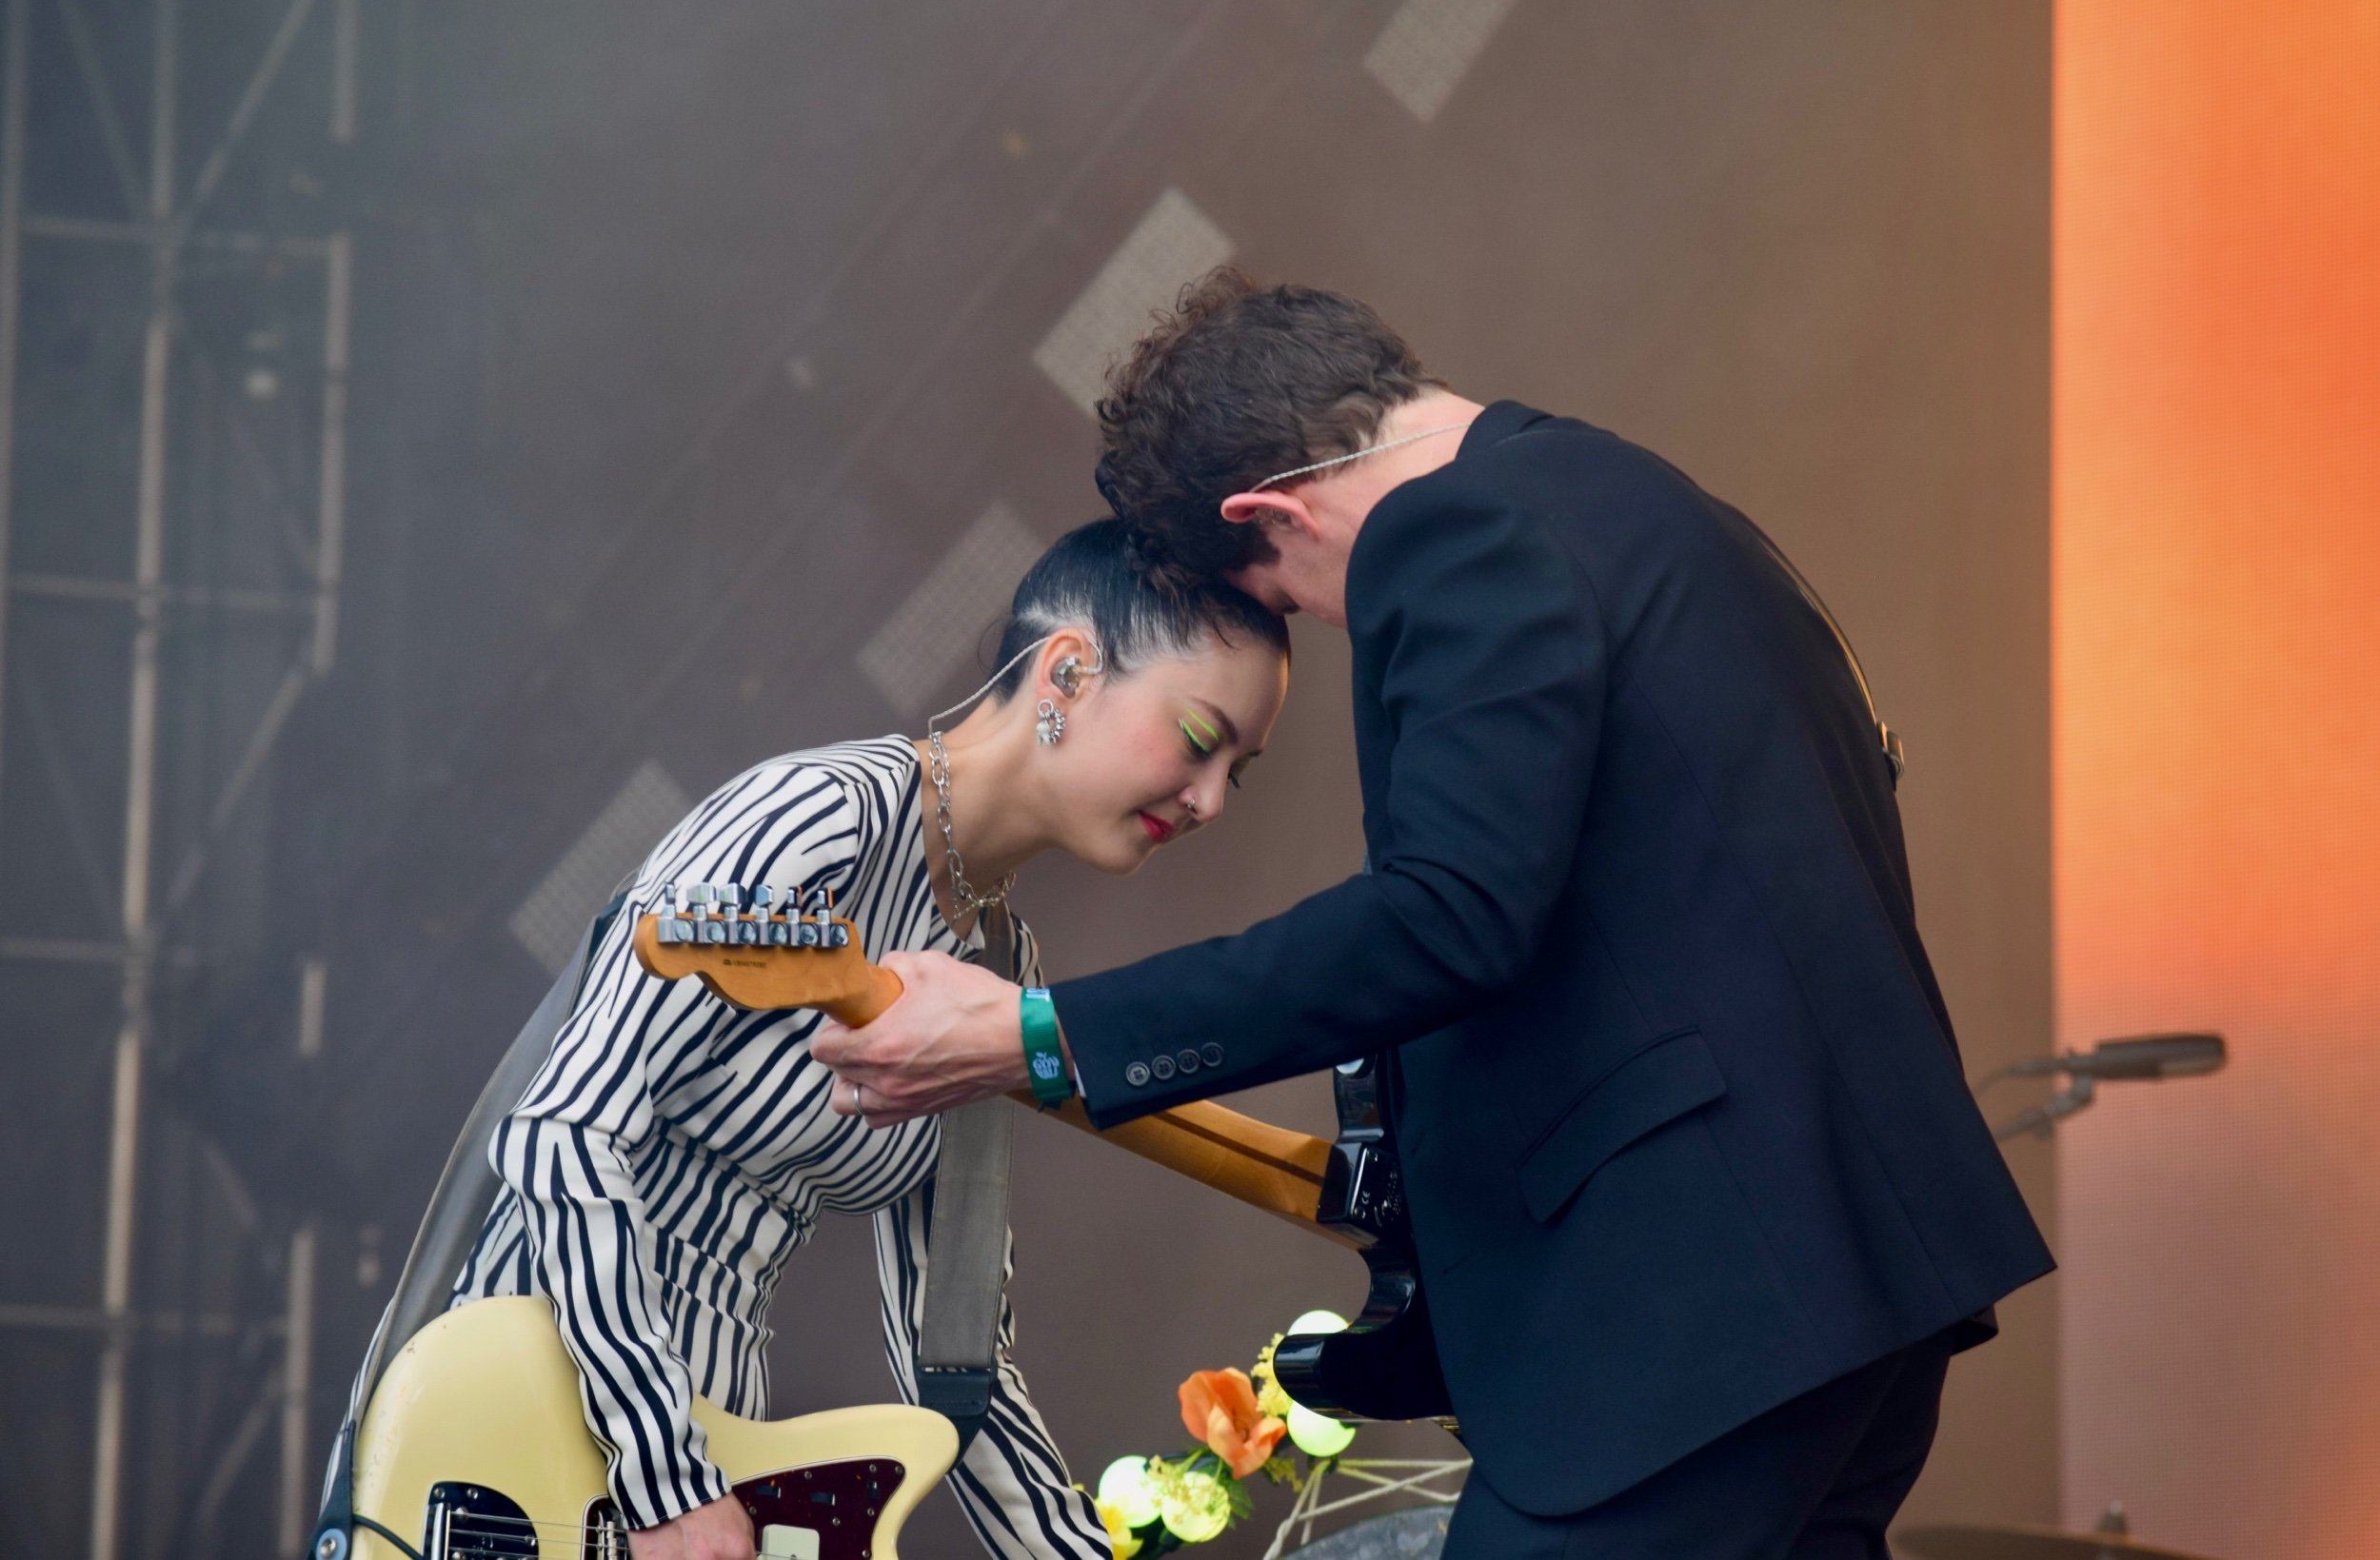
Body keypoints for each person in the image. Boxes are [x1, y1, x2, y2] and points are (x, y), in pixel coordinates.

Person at [812, 269, 2056, 1560]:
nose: (1321, 620)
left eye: (1288, 597)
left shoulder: (1455, 534)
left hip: (1701, 1313)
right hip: (1867, 1281)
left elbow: (1451, 915)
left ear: (1271, 511)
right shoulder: (1659, 509)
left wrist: (1044, 1030)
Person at [441, 518, 1287, 1560]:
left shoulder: (994, 972)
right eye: (1202, 740)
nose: (1208, 800)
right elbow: (559, 1130)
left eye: (1235, 773)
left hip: (711, 1455)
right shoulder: (814, 818)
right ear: (1066, 671)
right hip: (523, 1446)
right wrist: (663, 1478)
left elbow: (957, 1356)